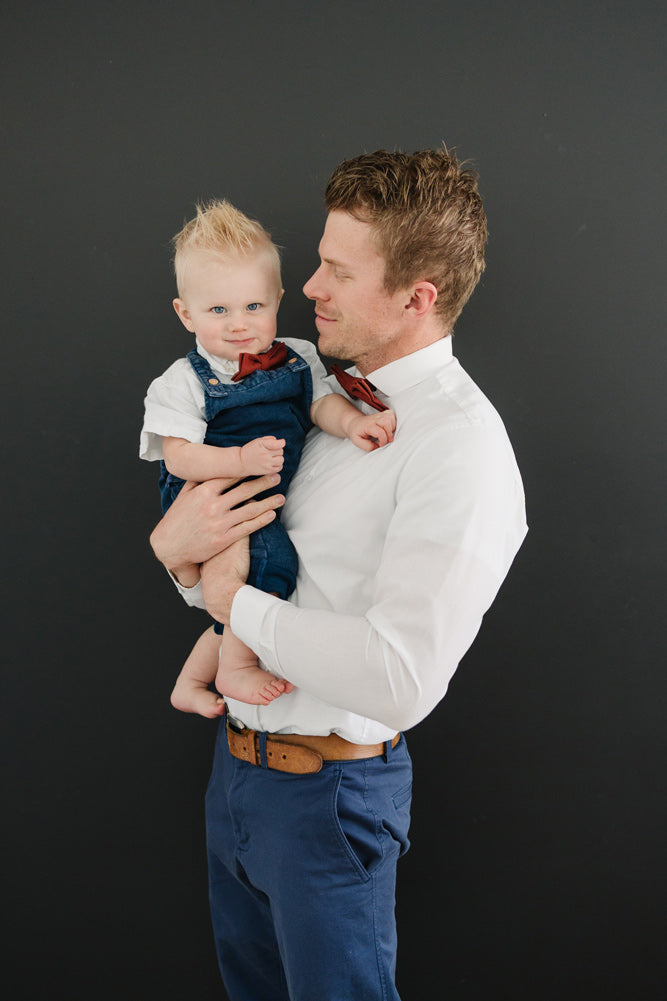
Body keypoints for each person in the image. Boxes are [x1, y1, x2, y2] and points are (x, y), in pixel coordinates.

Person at [150, 148, 528, 1001]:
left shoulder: (459, 449)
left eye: (334, 269)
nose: (309, 286)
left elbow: (400, 678)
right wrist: (182, 562)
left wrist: (229, 601)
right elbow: (257, 570)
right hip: (238, 774)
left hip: (327, 800)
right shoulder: (323, 400)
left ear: (415, 297)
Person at [140, 199, 396, 716]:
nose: (238, 325)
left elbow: (322, 402)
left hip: (260, 487)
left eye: (253, 307)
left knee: (248, 584)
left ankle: (192, 680)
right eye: (218, 311)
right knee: (263, 565)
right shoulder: (182, 381)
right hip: (211, 490)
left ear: (277, 299)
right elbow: (181, 458)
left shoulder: (298, 355)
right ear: (184, 312)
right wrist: (237, 462)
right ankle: (233, 669)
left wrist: (354, 423)